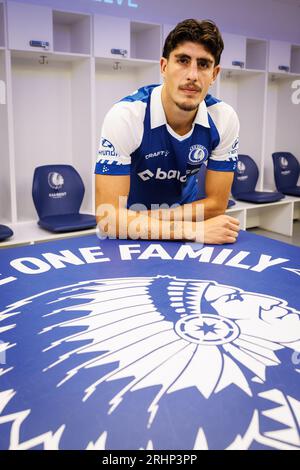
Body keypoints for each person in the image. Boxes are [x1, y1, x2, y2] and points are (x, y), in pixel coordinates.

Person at [95, 18, 240, 244]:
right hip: (130, 236)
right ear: (164, 67)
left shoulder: (223, 119)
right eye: (183, 60)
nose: (192, 75)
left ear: (214, 74)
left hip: (144, 222)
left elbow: (216, 205)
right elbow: (107, 220)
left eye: (203, 64)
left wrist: (139, 219)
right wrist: (192, 231)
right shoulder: (127, 115)